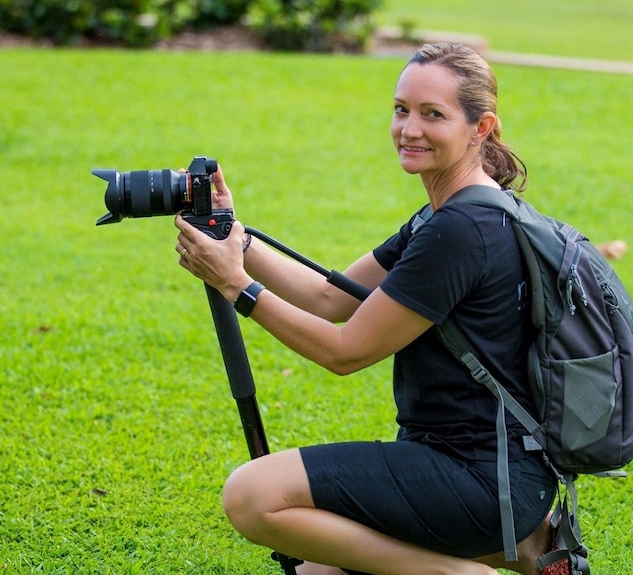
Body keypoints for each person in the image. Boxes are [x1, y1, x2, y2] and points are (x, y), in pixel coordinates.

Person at [174, 43, 569, 575]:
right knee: (319, 573)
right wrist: (233, 237)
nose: (409, 128)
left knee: (253, 495)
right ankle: (529, 549)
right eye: (402, 109)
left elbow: (345, 351)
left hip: (476, 478)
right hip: (482, 469)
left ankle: (467, 567)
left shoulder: (461, 229)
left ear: (481, 128)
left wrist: (235, 286)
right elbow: (331, 297)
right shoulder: (452, 211)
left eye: (433, 114)